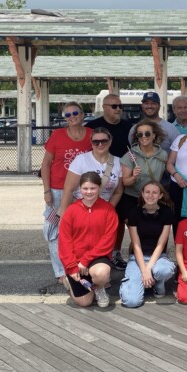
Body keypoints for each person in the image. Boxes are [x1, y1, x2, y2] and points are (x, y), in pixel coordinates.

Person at [58, 127, 126, 269]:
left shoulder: (118, 162)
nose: (100, 144)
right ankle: (74, 271)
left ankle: (99, 275)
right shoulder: (81, 160)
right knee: (80, 241)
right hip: (81, 207)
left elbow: (118, 191)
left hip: (103, 210)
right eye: (96, 142)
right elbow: (69, 189)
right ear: (91, 142)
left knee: (102, 243)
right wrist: (64, 215)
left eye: (103, 141)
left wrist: (108, 209)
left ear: (110, 141)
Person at [40, 101, 93, 285]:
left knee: (79, 229)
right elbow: (46, 164)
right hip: (57, 190)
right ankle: (61, 271)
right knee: (55, 230)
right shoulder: (57, 135)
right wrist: (46, 190)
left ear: (83, 114)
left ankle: (77, 266)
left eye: (75, 113)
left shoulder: (91, 136)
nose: (72, 117)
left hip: (81, 191)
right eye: (67, 115)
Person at [57, 171, 117, 308]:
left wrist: (86, 260)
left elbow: (108, 241)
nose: (89, 192)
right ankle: (69, 279)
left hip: (97, 258)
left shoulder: (108, 210)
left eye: (93, 188)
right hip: (76, 261)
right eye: (85, 188)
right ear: (80, 189)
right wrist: (72, 267)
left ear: (99, 188)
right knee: (85, 302)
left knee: (101, 274)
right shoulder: (71, 211)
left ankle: (99, 287)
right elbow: (64, 242)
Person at [119, 181, 177, 307]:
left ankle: (158, 283)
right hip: (137, 258)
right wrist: (144, 269)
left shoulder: (167, 212)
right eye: (147, 192)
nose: (151, 195)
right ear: (142, 194)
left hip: (158, 258)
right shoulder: (134, 213)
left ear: (160, 196)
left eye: (155, 192)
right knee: (131, 302)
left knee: (163, 270)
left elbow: (161, 244)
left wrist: (148, 269)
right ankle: (145, 281)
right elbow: (136, 245)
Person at [119, 119, 169, 232]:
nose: (143, 136)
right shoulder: (130, 155)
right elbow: (125, 182)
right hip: (133, 198)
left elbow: (159, 179)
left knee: (151, 231)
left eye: (147, 133)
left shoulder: (162, 155)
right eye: (140, 134)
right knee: (137, 232)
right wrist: (134, 177)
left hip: (152, 198)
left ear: (154, 135)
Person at [85, 93, 132, 158]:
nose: (118, 109)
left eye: (120, 106)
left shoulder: (129, 127)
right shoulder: (91, 127)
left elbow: (133, 149)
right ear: (104, 107)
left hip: (123, 165)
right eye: (114, 106)